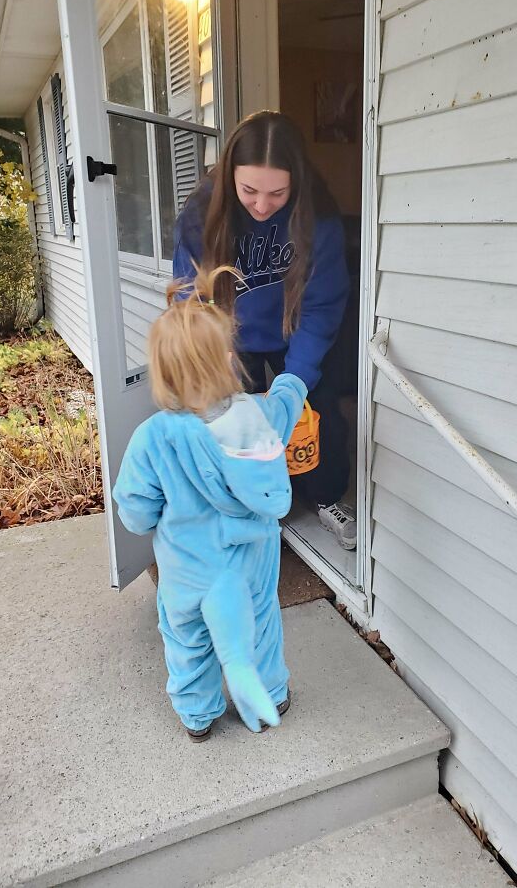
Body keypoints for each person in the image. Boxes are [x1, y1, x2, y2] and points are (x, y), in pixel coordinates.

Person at [113, 267, 307, 741]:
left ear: (162, 374)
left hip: (187, 566)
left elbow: (135, 510)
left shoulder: (152, 439)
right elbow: (287, 401)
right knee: (258, 623)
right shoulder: (256, 417)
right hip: (248, 560)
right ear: (226, 359)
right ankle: (270, 697)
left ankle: (198, 714)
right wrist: (291, 384)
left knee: (187, 636)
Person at [173, 111, 356, 550]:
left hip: (296, 329)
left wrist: (295, 380)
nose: (260, 205)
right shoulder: (200, 216)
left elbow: (323, 304)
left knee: (320, 415)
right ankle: (249, 506)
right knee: (235, 423)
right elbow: (190, 296)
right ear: (229, 175)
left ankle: (326, 496)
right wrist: (214, 352)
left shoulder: (320, 220)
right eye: (249, 190)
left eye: (277, 193)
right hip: (231, 337)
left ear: (297, 182)